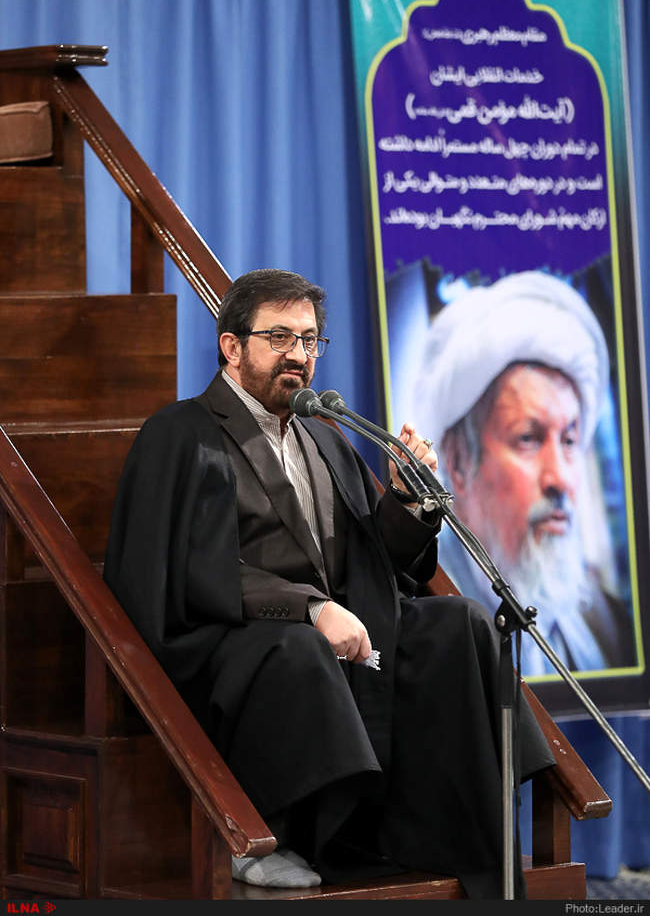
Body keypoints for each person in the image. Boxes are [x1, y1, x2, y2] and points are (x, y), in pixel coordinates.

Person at [104, 268, 554, 898]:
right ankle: (269, 835)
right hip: (238, 640)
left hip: (337, 633)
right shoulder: (182, 433)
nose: (299, 354)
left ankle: (447, 830)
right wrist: (309, 608)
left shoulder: (323, 433)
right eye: (279, 337)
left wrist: (405, 504)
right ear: (231, 347)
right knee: (301, 649)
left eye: (310, 340)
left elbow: (373, 561)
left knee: (462, 624)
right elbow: (187, 569)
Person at [410, 270, 636, 678]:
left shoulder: (607, 623)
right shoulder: (423, 613)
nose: (560, 479)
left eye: (570, 440)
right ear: (458, 461)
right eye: (529, 438)